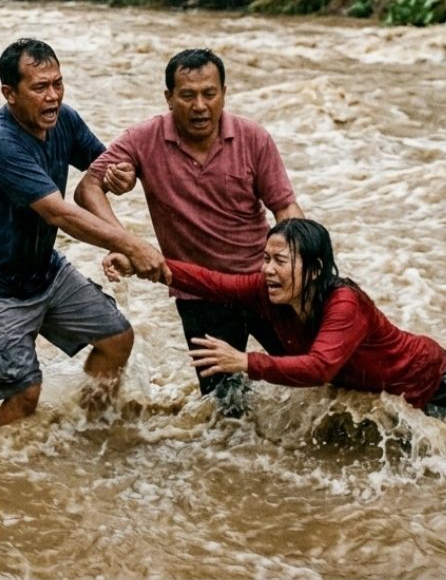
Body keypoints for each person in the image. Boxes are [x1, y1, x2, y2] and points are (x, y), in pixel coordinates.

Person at [0, 38, 169, 426]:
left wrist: (124, 174)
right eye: (39, 87)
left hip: (42, 270)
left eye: (58, 84)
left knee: (117, 339)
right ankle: (0, 474)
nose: (52, 97)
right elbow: (58, 213)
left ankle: (89, 426)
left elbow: (102, 170)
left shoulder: (64, 119)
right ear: (10, 94)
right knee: (25, 392)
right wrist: (132, 245)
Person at [74, 48, 303, 411]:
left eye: (209, 94)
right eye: (187, 95)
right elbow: (88, 188)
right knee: (226, 408)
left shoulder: (253, 138)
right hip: (199, 294)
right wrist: (128, 244)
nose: (200, 106)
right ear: (168, 98)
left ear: (224, 94)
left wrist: (302, 266)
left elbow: (285, 208)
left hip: (263, 284)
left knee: (316, 378)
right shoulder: (143, 139)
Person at [107, 218, 446, 412]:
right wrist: (140, 264)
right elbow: (211, 281)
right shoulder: (267, 291)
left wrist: (245, 361)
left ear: (315, 269)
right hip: (382, 393)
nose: (268, 270)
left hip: (432, 377)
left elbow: (320, 368)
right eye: (266, 259)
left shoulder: (344, 303)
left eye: (280, 261)